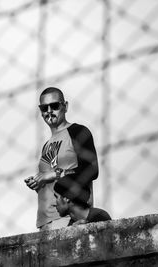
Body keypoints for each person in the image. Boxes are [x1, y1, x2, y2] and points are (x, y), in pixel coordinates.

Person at [24, 87, 99, 231]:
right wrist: (38, 183)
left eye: (55, 106)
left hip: (68, 217)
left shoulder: (77, 132)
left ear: (65, 106)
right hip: (44, 222)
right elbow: (51, 182)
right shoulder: (46, 145)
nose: (49, 111)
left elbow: (92, 170)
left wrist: (52, 174)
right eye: (44, 108)